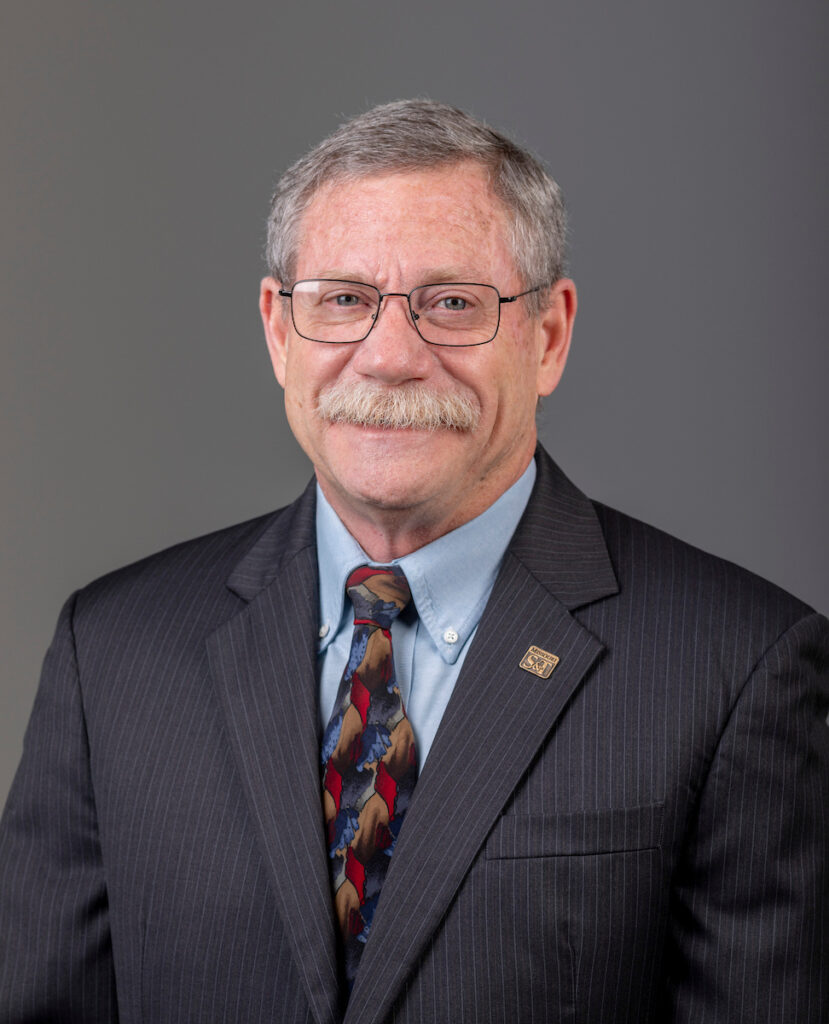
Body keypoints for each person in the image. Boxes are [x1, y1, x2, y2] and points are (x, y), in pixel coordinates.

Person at [1, 99, 826, 1024]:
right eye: (343, 300)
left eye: (452, 304)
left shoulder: (735, 666)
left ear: (548, 336)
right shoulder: (111, 652)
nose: (389, 356)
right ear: (279, 331)